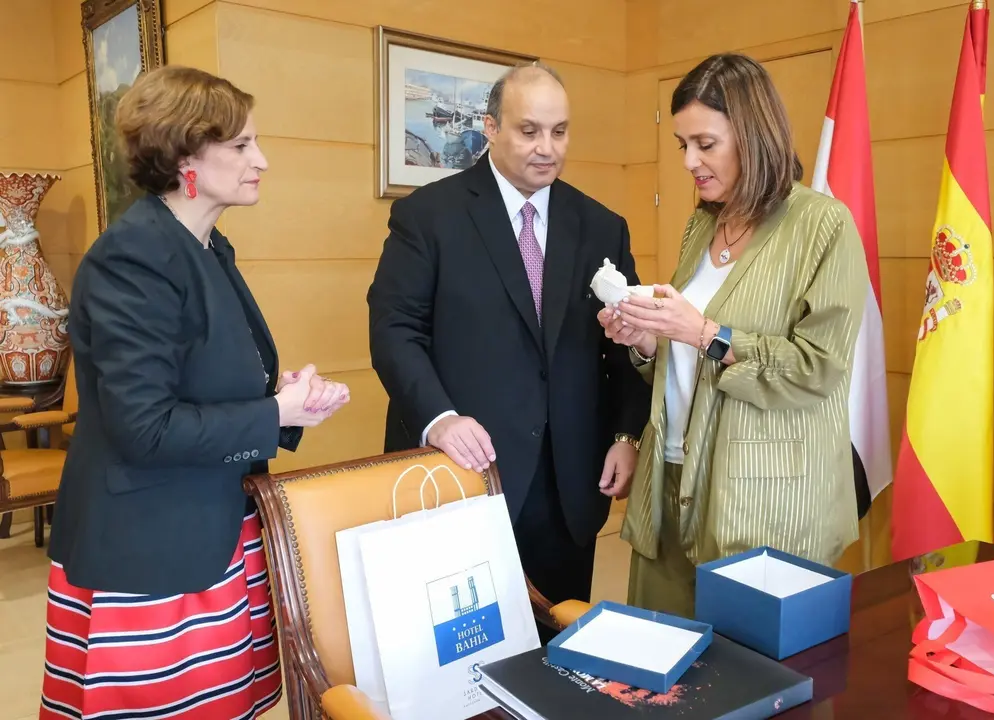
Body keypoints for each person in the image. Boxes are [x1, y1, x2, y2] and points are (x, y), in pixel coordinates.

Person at [39, 66, 350, 719]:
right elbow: (144, 429)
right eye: (240, 146)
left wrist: (286, 400)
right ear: (184, 154)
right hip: (151, 548)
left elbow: (202, 381)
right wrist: (273, 412)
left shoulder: (206, 246)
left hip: (207, 526)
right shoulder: (137, 258)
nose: (260, 161)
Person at [367, 62, 651, 629]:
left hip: (569, 482)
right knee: (459, 654)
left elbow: (621, 344)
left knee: (557, 645)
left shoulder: (601, 226)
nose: (547, 148)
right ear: (491, 127)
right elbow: (394, 329)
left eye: (560, 131)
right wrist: (440, 418)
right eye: (529, 131)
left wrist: (625, 435)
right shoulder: (428, 216)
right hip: (463, 471)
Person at [601, 53, 869, 619]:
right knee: (660, 677)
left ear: (752, 134)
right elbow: (685, 355)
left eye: (705, 143)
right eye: (682, 145)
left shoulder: (823, 225)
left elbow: (817, 369)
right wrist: (648, 338)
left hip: (761, 497)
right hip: (671, 476)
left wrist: (702, 332)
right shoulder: (702, 223)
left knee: (750, 684)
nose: (689, 162)